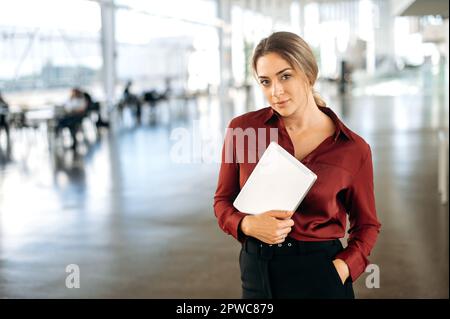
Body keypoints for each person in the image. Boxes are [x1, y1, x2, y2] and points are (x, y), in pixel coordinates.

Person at [213, 32, 381, 299]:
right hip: (259, 271)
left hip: (322, 272)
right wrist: (246, 225)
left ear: (308, 75)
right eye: (265, 82)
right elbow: (222, 200)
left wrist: (342, 268)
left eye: (285, 76)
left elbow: (367, 225)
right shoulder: (243, 130)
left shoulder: (353, 149)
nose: (275, 91)